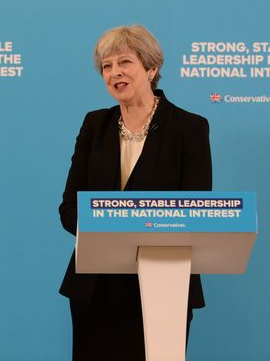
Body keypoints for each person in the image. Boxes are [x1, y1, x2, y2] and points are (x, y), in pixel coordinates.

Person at [58, 25, 211, 360]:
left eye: (124, 62)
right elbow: (69, 207)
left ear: (151, 68)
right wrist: (108, 233)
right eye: (106, 67)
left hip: (163, 283)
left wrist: (128, 231)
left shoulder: (189, 128)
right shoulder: (94, 124)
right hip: (95, 285)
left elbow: (195, 209)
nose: (114, 73)